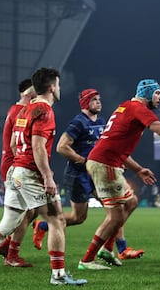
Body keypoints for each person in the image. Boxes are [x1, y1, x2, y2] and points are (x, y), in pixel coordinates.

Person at [0, 67, 87, 285]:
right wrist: (46, 176)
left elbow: (12, 144)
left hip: (16, 171)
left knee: (8, 224)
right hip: (30, 173)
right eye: (58, 84)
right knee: (57, 219)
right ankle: (58, 275)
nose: (59, 88)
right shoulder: (45, 111)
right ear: (51, 87)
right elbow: (38, 147)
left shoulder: (24, 109)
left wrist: (22, 164)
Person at [77, 79, 160, 270]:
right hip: (105, 163)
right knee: (114, 217)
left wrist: (138, 169)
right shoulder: (138, 109)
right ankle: (87, 260)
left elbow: (117, 147)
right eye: (157, 93)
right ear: (147, 93)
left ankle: (107, 249)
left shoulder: (126, 107)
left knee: (130, 202)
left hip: (107, 161)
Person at [33, 89, 144, 264]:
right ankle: (43, 225)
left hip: (97, 173)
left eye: (99, 99)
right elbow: (62, 146)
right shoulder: (79, 123)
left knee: (117, 209)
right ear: (85, 103)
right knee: (79, 218)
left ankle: (121, 249)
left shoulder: (101, 122)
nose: (99, 102)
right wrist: (83, 160)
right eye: (94, 99)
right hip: (78, 175)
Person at [0, 78, 37, 267]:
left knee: (31, 210)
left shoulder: (15, 109)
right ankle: (11, 253)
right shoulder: (21, 111)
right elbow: (16, 145)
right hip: (16, 165)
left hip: (13, 164)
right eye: (35, 94)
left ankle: (8, 247)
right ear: (29, 94)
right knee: (23, 212)